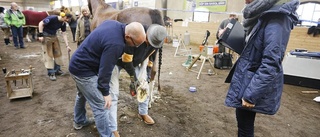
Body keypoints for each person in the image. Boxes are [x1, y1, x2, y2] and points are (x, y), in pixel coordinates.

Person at [224, 0, 299, 137]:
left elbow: (271, 62)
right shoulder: (260, 15)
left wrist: (251, 95)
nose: (245, 1)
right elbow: (255, 47)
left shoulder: (278, 16)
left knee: (245, 127)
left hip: (253, 82)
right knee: (243, 122)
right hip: (248, 77)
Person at [69, 20, 146, 137]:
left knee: (82, 94)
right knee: (101, 105)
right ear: (128, 36)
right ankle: (107, 135)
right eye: (135, 44)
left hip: (78, 62)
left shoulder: (114, 24)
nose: (135, 47)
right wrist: (105, 93)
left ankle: (79, 120)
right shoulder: (116, 44)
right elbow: (105, 70)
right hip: (83, 70)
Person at [109, 24, 167, 137]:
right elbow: (126, 61)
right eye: (149, 42)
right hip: (118, 61)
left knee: (144, 85)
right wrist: (133, 80)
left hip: (135, 61)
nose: (150, 45)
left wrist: (148, 75)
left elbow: (151, 59)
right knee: (113, 93)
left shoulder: (156, 42)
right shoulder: (136, 36)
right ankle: (112, 128)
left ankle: (143, 112)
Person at [38, 12, 72, 81]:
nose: (67, 20)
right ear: (63, 16)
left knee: (58, 53)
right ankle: (51, 73)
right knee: (49, 55)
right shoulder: (52, 18)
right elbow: (41, 23)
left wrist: (67, 45)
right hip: (46, 37)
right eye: (67, 18)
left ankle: (57, 70)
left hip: (54, 37)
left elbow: (64, 34)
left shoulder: (63, 23)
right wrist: (40, 35)